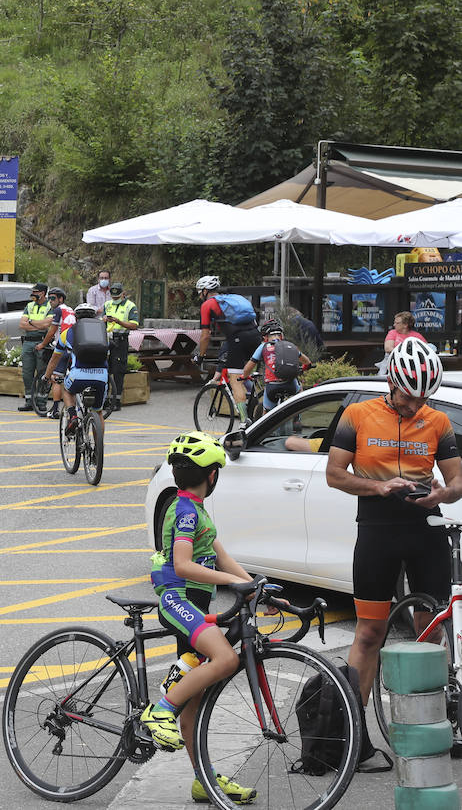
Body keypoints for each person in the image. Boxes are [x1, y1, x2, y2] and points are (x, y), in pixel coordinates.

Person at [327, 337, 462, 718]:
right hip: (377, 530)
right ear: (391, 383)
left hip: (425, 530)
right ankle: (353, 732)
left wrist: (443, 494)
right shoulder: (357, 415)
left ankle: (425, 721)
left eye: (423, 399)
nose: (416, 405)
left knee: (430, 634)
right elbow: (334, 475)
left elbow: (457, 483)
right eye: (409, 397)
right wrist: (378, 486)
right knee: (369, 633)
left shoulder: (438, 422)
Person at [141, 431, 258, 805]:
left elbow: (221, 556)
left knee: (196, 697)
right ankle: (159, 713)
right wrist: (231, 582)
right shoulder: (187, 511)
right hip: (178, 599)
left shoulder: (195, 507)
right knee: (226, 659)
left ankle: (201, 779)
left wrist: (254, 586)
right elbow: (183, 565)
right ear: (212, 475)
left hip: (196, 603)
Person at [194, 275, 260, 426]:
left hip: (238, 339)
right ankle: (258, 400)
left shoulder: (207, 305)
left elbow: (205, 336)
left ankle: (244, 421)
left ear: (205, 291)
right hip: (256, 336)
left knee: (235, 379)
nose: (199, 296)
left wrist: (201, 356)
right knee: (248, 373)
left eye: (199, 292)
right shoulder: (234, 298)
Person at [41, 303, 109, 432]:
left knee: (66, 389)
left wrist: (47, 376)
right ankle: (98, 449)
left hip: (78, 375)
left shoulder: (67, 333)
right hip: (101, 376)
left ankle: (72, 416)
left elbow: (54, 359)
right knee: (98, 412)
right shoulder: (103, 333)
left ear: (76, 318)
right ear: (94, 317)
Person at [240, 318, 311, 414]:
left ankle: (266, 423)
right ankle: (297, 417)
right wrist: (306, 366)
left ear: (265, 338)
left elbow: (250, 366)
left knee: (266, 414)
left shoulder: (263, 347)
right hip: (291, 385)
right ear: (281, 336)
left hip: (272, 387)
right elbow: (306, 361)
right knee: (298, 390)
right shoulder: (289, 345)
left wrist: (244, 376)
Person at [39, 287, 76, 419]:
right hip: (74, 345)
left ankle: (55, 409)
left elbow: (52, 330)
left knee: (56, 378)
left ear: (61, 299)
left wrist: (43, 344)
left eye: (53, 298)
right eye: (49, 298)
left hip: (64, 345)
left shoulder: (58, 310)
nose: (50, 301)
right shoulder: (70, 309)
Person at [102, 281, 138, 411]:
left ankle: (116, 400)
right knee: (105, 369)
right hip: (107, 340)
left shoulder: (130, 306)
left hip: (121, 340)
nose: (115, 299)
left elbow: (134, 325)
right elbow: (101, 321)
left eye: (117, 297)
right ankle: (104, 398)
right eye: (113, 297)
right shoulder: (107, 304)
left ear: (123, 294)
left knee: (118, 370)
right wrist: (104, 319)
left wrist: (119, 322)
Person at [17, 283, 52, 412]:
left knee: (42, 373)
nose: (33, 294)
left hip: (42, 342)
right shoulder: (30, 305)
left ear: (42, 293)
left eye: (35, 291)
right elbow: (22, 324)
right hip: (28, 342)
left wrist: (30, 322)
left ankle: (41, 401)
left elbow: (47, 324)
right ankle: (29, 401)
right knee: (27, 373)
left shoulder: (49, 306)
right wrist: (38, 325)